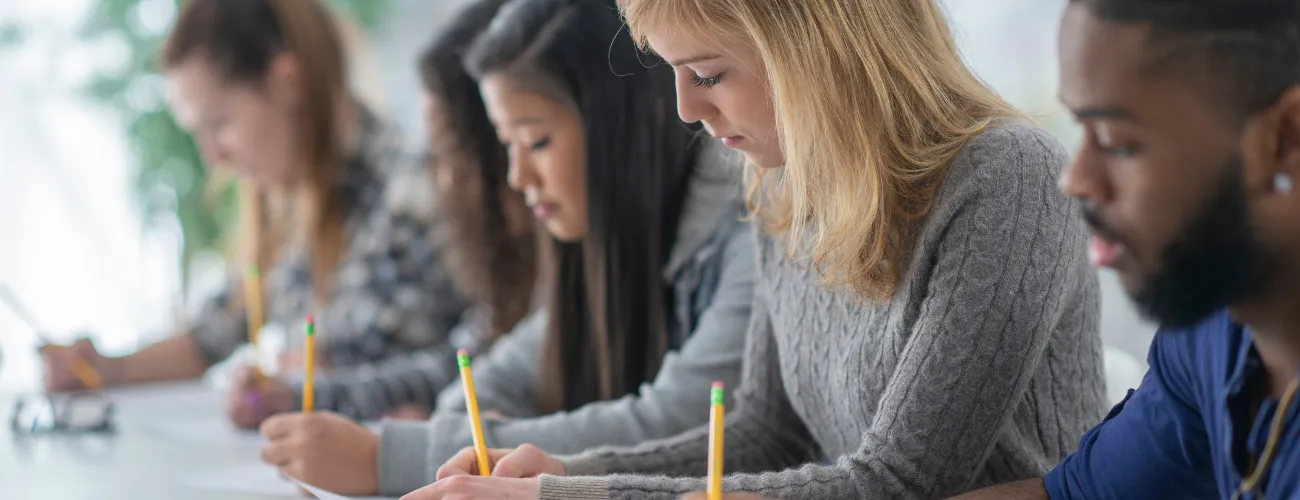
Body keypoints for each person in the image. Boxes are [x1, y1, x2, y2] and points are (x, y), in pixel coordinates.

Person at [411, 0, 1106, 499]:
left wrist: (561, 499)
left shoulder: (1007, 178)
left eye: (708, 75)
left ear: (818, 49)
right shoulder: (782, 185)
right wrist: (561, 473)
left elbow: (901, 481)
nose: (686, 108)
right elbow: (765, 432)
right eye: (674, 73)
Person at [255, 0, 755, 496]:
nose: (517, 178)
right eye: (506, 146)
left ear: (621, 130)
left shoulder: (743, 239)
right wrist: (467, 437)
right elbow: (485, 387)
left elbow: (680, 424)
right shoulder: (588, 251)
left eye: (536, 142)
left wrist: (388, 457)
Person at [39, 0, 473, 426]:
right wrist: (102, 370)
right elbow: (209, 337)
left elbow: (488, 363)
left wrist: (313, 391)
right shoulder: (284, 212)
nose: (213, 158)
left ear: (287, 81)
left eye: (220, 123)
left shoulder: (421, 191)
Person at [950, 1, 1300, 499]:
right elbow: (1075, 495)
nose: (1074, 179)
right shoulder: (1211, 332)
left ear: (1283, 137)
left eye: (1116, 140)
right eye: (1080, 127)